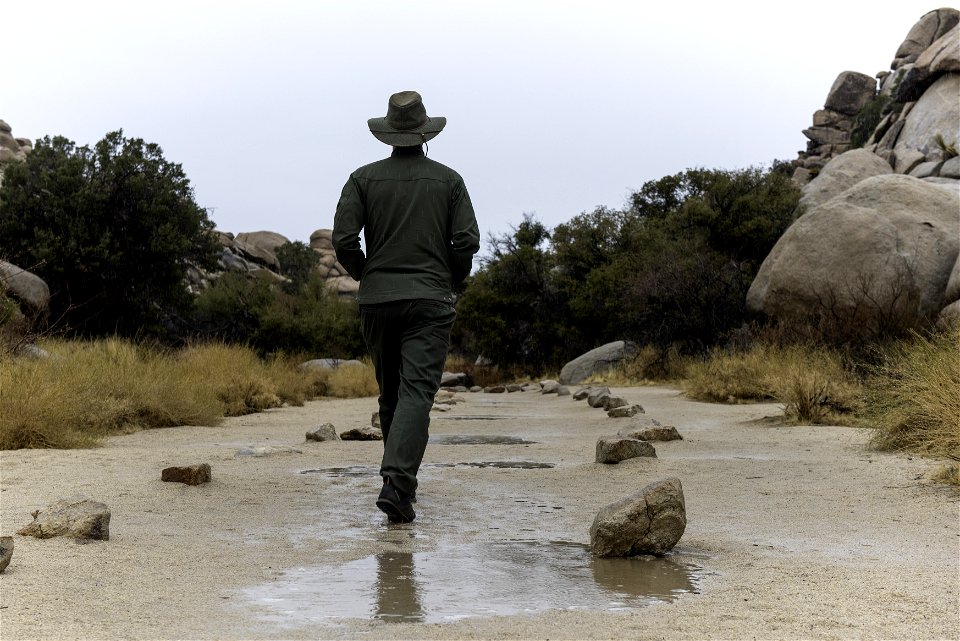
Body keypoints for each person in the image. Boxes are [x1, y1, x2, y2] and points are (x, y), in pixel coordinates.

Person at [333, 90, 480, 523]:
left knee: (391, 393)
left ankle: (398, 485)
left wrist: (368, 275)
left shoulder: (361, 178)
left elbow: (343, 240)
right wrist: (448, 280)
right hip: (430, 299)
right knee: (417, 392)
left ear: (388, 134)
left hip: (377, 301)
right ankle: (397, 483)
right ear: (424, 134)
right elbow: (466, 241)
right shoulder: (449, 180)